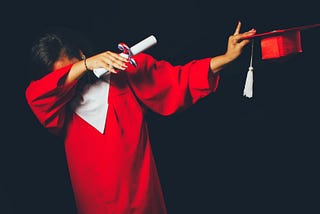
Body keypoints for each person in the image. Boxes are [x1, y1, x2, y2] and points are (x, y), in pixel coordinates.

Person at [25, 22, 256, 214]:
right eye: (62, 77)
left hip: (142, 201)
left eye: (71, 69)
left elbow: (179, 80)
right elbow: (37, 94)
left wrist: (227, 58)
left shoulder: (125, 74)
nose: (70, 82)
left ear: (81, 54)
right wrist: (84, 66)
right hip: (94, 207)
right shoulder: (55, 106)